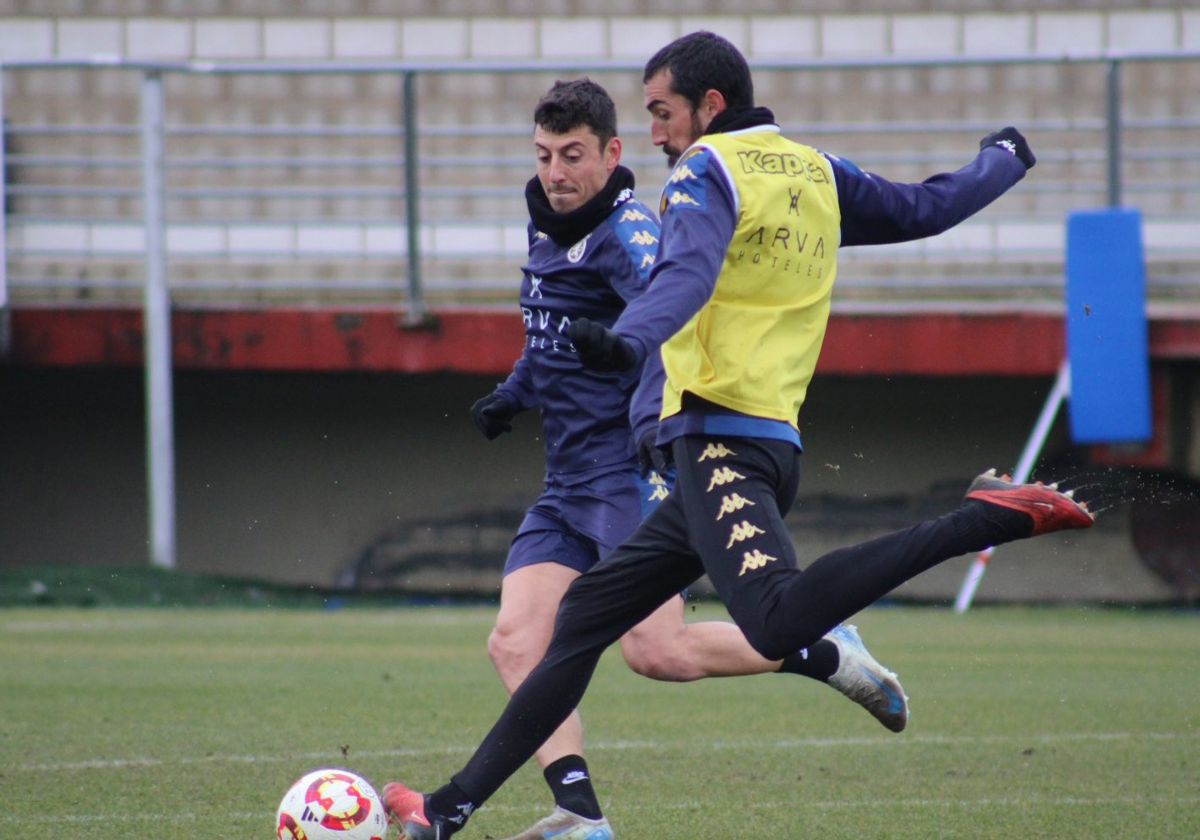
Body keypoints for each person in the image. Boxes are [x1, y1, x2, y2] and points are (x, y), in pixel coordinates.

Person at [383, 33, 1095, 840]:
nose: (654, 133)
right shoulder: (816, 171)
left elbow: (681, 276)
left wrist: (631, 342)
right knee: (581, 619)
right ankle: (447, 813)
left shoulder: (704, 170)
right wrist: (1003, 157)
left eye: (661, 112)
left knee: (777, 621)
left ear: (708, 107)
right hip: (742, 440)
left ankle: (984, 516)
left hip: (721, 439)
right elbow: (928, 208)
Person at [469, 77, 908, 840]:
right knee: (514, 641)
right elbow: (550, 327)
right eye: (543, 155)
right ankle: (578, 816)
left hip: (626, 474)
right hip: (565, 483)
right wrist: (514, 392)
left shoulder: (634, 237)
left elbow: (674, 314)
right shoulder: (550, 226)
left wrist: (665, 439)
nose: (555, 172)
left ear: (612, 153)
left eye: (572, 155)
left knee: (656, 650)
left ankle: (818, 645)